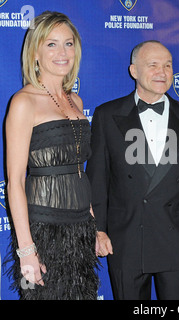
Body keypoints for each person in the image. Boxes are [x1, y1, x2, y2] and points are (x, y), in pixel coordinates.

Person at [86, 40, 179, 300]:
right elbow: (97, 178)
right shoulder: (107, 115)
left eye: (167, 65)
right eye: (153, 65)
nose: (162, 72)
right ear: (134, 71)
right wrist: (97, 229)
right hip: (127, 237)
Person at [5, 11, 99, 300]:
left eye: (68, 44)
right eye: (51, 44)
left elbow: (78, 168)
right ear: (35, 51)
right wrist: (27, 251)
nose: (63, 52)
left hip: (80, 230)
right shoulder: (24, 102)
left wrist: (92, 223)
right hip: (43, 231)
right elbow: (15, 183)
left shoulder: (76, 100)